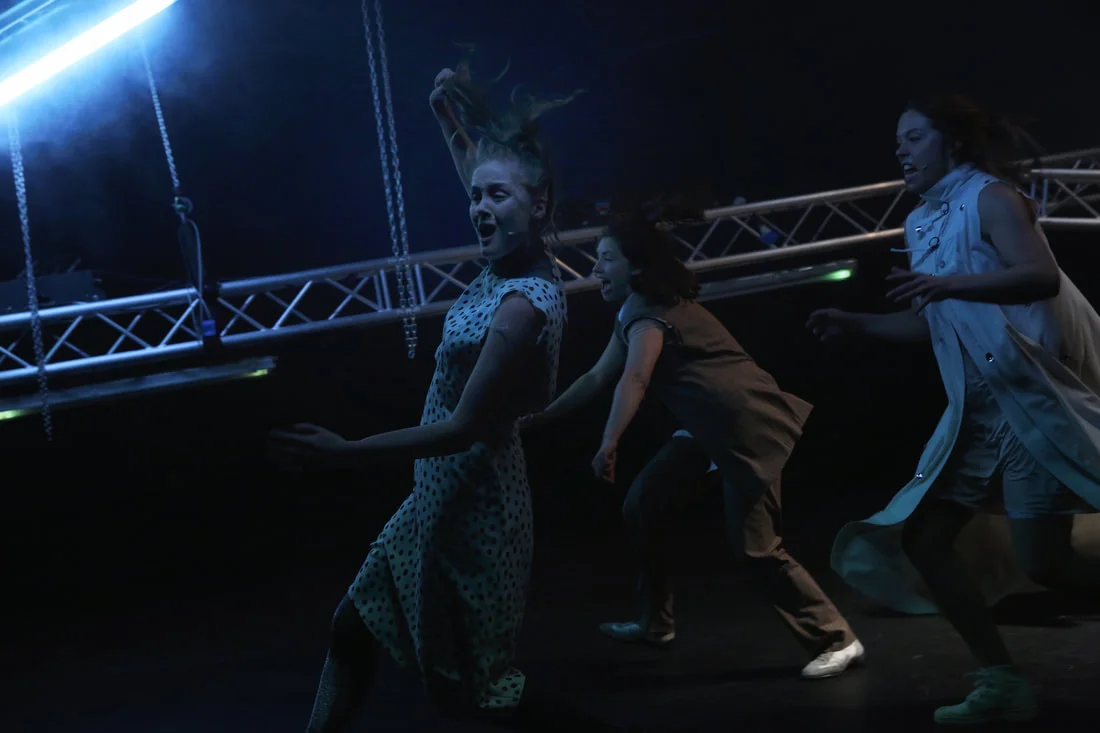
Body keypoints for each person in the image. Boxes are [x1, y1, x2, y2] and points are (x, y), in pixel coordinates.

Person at [270, 59, 573, 730]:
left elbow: (462, 427)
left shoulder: (524, 303)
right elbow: (476, 170)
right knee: (351, 626)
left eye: (497, 197)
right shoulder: (502, 260)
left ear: (539, 203)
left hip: (477, 510)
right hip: (433, 499)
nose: (480, 208)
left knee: (472, 696)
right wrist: (446, 117)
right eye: (476, 196)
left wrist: (346, 452)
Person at [807, 93, 1100, 725]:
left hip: (1025, 403)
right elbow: (931, 322)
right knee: (925, 539)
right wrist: (856, 322)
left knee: (1046, 563)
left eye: (914, 137)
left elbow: (1039, 275)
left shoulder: (993, 198)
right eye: (898, 141)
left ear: (953, 142)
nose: (901, 150)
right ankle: (1002, 682)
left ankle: (1004, 683)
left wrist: (948, 284)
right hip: (976, 412)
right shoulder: (919, 223)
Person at [525, 199, 864, 680]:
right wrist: (542, 417)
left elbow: (635, 378)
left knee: (757, 548)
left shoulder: (651, 314)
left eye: (606, 258)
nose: (595, 268)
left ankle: (836, 638)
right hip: (705, 429)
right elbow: (598, 377)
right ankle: (655, 622)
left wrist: (609, 440)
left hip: (744, 426)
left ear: (636, 266)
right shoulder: (634, 309)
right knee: (642, 505)